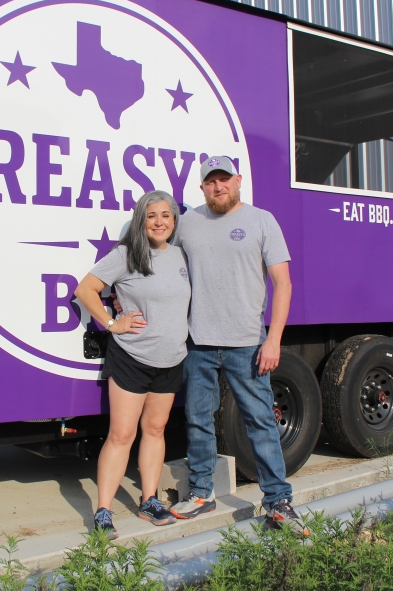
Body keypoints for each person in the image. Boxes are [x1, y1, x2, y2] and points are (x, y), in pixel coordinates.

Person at [165, 156, 298, 527]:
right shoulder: (188, 223)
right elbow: (164, 263)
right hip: (199, 343)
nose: (218, 186)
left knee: (260, 422)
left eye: (225, 179)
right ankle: (202, 492)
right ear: (202, 187)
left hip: (247, 343)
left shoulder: (261, 220)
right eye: (211, 181)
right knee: (197, 419)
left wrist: (273, 340)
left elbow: (283, 283)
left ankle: (278, 501)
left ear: (238, 181)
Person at [74, 190, 191, 539]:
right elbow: (86, 289)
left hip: (171, 359)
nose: (159, 222)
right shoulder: (127, 254)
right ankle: (104, 511)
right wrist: (112, 324)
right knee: (121, 435)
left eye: (166, 215)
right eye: (152, 215)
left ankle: (149, 500)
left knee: (155, 431)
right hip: (131, 358)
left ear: (174, 220)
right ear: (141, 220)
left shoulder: (183, 256)